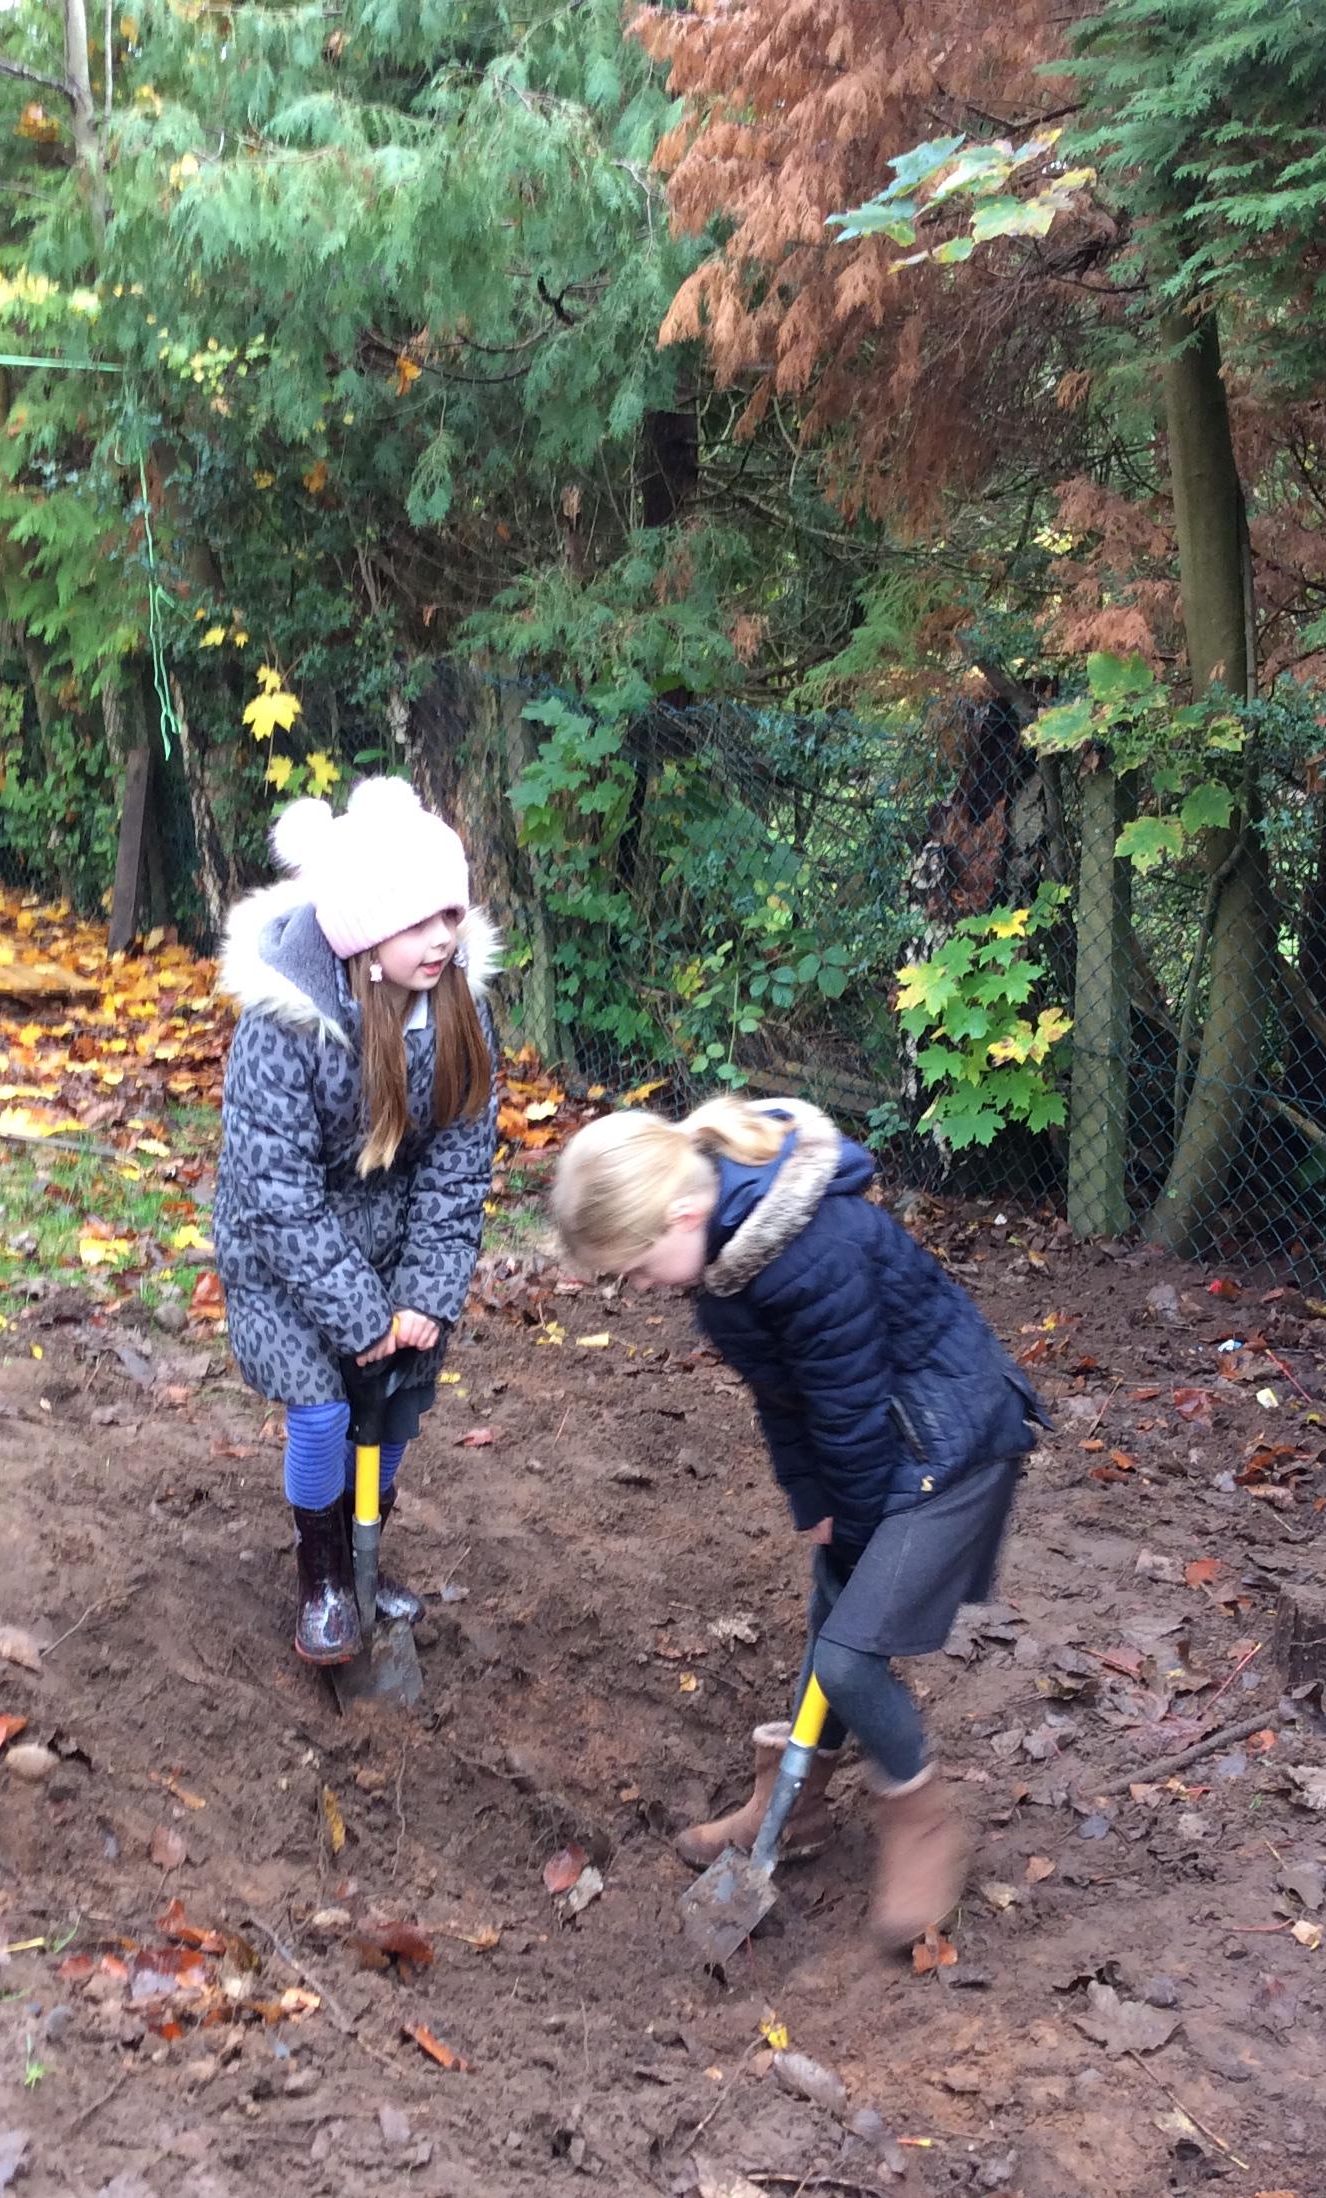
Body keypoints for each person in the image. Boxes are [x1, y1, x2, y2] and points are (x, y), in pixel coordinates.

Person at [551, 1095, 1040, 1949]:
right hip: (890, 1442)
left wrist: (854, 1521)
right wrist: (814, 1505)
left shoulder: (811, 1252)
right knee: (831, 1614)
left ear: (683, 1214)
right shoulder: (724, 1271)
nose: (638, 1288)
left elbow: (847, 1409)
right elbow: (783, 1401)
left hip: (954, 1445)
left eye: (636, 1268)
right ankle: (795, 1804)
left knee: (848, 1657)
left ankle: (921, 1818)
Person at [214, 777, 498, 1662]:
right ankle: (326, 1574)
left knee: (392, 1409)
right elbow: (276, 1190)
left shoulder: (460, 1010)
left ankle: (365, 1547)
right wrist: (357, 1316)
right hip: (282, 1254)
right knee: (323, 1413)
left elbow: (458, 1167)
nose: (443, 938)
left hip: (395, 1250)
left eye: (450, 915)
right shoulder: (283, 1025)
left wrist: (422, 1295)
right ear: (365, 937)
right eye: (419, 922)